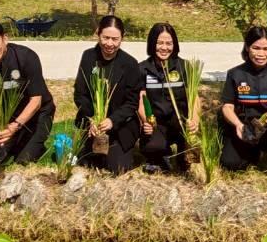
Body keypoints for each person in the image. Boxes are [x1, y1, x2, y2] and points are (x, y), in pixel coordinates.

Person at [0, 19, 55, 165]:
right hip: (9, 114)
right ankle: (17, 141)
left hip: (39, 112)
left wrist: (14, 127)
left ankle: (33, 143)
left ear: (5, 38)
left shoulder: (26, 57)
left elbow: (36, 101)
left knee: (23, 160)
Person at [220, 26, 267, 174]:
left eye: (266, 49)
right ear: (247, 48)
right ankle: (252, 153)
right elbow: (227, 107)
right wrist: (238, 125)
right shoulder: (235, 74)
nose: (261, 54)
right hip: (245, 128)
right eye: (256, 48)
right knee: (230, 165)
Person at [73, 15, 142, 175]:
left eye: (115, 39)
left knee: (117, 168)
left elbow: (132, 103)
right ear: (98, 33)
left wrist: (112, 120)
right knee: (86, 163)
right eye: (105, 38)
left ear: (122, 38)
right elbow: (80, 94)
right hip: (93, 125)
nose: (109, 44)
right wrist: (91, 119)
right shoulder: (88, 57)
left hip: (120, 125)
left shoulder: (130, 64)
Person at [137, 22, 198, 173]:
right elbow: (141, 99)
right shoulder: (142, 68)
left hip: (181, 122)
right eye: (160, 43)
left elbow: (195, 97)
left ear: (174, 44)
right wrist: (146, 121)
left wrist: (194, 120)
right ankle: (162, 155)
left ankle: (182, 153)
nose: (164, 48)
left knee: (186, 162)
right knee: (152, 147)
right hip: (157, 123)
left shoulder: (184, 66)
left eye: (169, 43)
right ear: (152, 43)